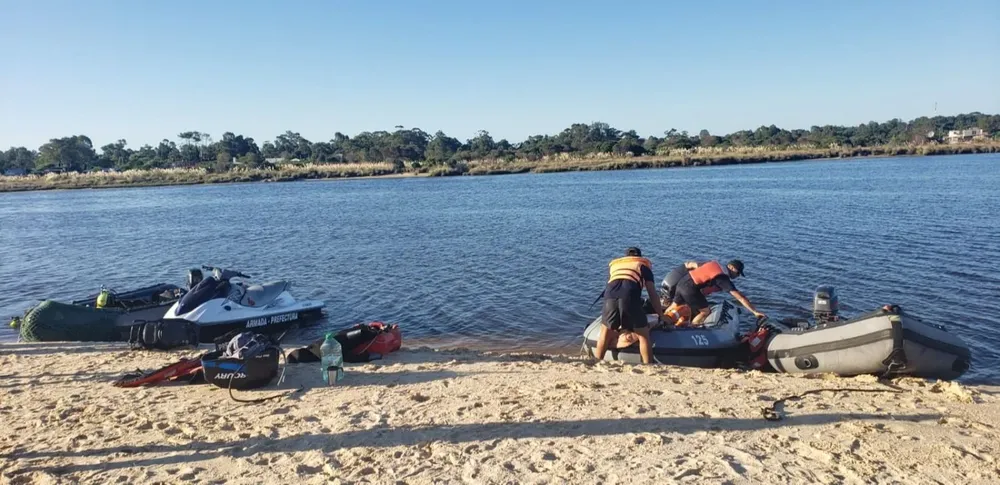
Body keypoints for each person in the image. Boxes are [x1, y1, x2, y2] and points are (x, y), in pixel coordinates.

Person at [594, 247, 670, 364]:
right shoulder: (642, 266)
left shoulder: (615, 266)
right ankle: (647, 364)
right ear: (639, 257)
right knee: (643, 335)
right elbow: (652, 292)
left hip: (609, 297)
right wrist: (661, 315)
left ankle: (595, 362)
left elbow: (612, 286)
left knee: (605, 333)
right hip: (629, 297)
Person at [665, 259, 766, 327]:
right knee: (705, 312)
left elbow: (691, 264)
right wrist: (754, 312)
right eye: (738, 273)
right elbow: (740, 297)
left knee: (674, 305)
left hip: (682, 282)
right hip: (690, 288)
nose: (737, 276)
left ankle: (661, 320)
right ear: (731, 267)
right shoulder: (722, 278)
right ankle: (693, 330)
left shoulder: (713, 264)